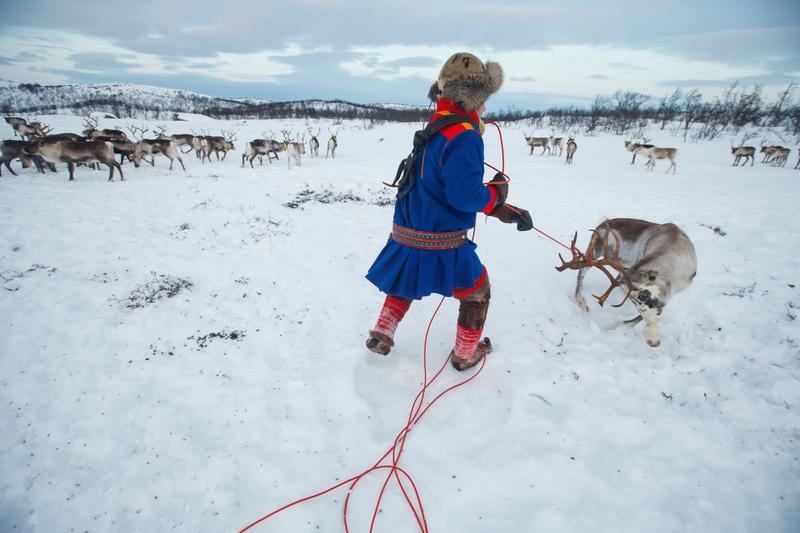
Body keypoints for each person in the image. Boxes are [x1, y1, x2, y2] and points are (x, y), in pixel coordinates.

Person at [365, 52, 533, 370]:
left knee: (406, 278)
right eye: (484, 100)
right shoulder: (465, 136)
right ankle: (465, 354)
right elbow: (464, 196)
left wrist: (501, 209)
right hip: (440, 239)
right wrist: (495, 195)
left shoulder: (435, 129)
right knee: (477, 292)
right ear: (473, 98)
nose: (485, 107)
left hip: (407, 230)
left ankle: (382, 333)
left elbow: (439, 188)